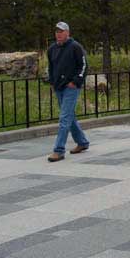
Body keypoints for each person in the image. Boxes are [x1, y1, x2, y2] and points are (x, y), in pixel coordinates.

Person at [46, 22, 90, 162]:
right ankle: (82, 142)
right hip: (59, 87)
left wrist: (76, 81)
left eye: (61, 31)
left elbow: (83, 65)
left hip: (71, 87)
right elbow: (51, 67)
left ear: (68, 33)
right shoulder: (52, 49)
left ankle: (58, 150)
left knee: (64, 117)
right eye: (57, 31)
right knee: (69, 116)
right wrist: (52, 81)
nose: (58, 34)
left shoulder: (75, 47)